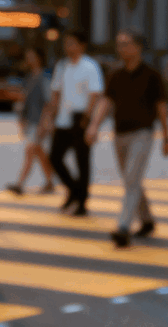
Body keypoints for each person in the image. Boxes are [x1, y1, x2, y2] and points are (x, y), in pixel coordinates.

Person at [85, 31, 168, 248]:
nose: (121, 48)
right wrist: (94, 126)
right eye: (119, 44)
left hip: (142, 133)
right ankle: (147, 220)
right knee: (131, 180)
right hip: (120, 134)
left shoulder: (151, 75)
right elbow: (106, 102)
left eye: (126, 44)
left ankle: (123, 227)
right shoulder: (116, 75)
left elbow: (161, 107)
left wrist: (167, 137)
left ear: (138, 47)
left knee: (132, 178)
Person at [42, 31, 103, 216]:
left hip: (81, 117)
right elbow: (56, 92)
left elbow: (95, 94)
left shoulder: (90, 66)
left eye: (72, 43)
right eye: (66, 43)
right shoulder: (62, 66)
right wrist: (50, 116)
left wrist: (88, 118)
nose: (68, 47)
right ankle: (74, 190)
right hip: (63, 119)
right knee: (54, 157)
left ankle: (81, 201)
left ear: (82, 45)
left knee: (82, 161)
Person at [6, 46, 55, 195]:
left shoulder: (44, 77)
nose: (28, 59)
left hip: (40, 121)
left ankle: (20, 184)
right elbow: (25, 100)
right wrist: (22, 118)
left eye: (31, 56)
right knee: (38, 152)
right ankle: (50, 181)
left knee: (30, 151)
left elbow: (49, 102)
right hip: (31, 120)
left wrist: (45, 122)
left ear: (39, 58)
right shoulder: (29, 77)